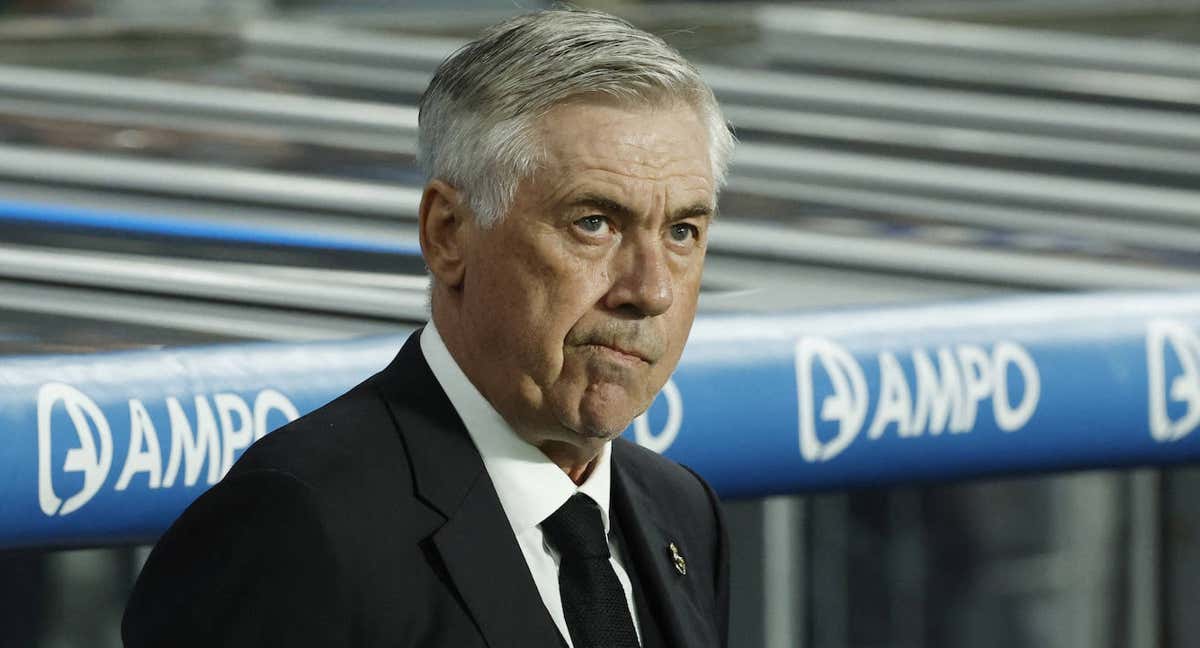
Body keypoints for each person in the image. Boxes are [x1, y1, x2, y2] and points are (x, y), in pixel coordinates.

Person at [122, 8, 735, 648]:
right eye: (593, 222)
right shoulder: (294, 525)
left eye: (682, 232)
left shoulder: (682, 511)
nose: (651, 291)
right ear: (448, 233)